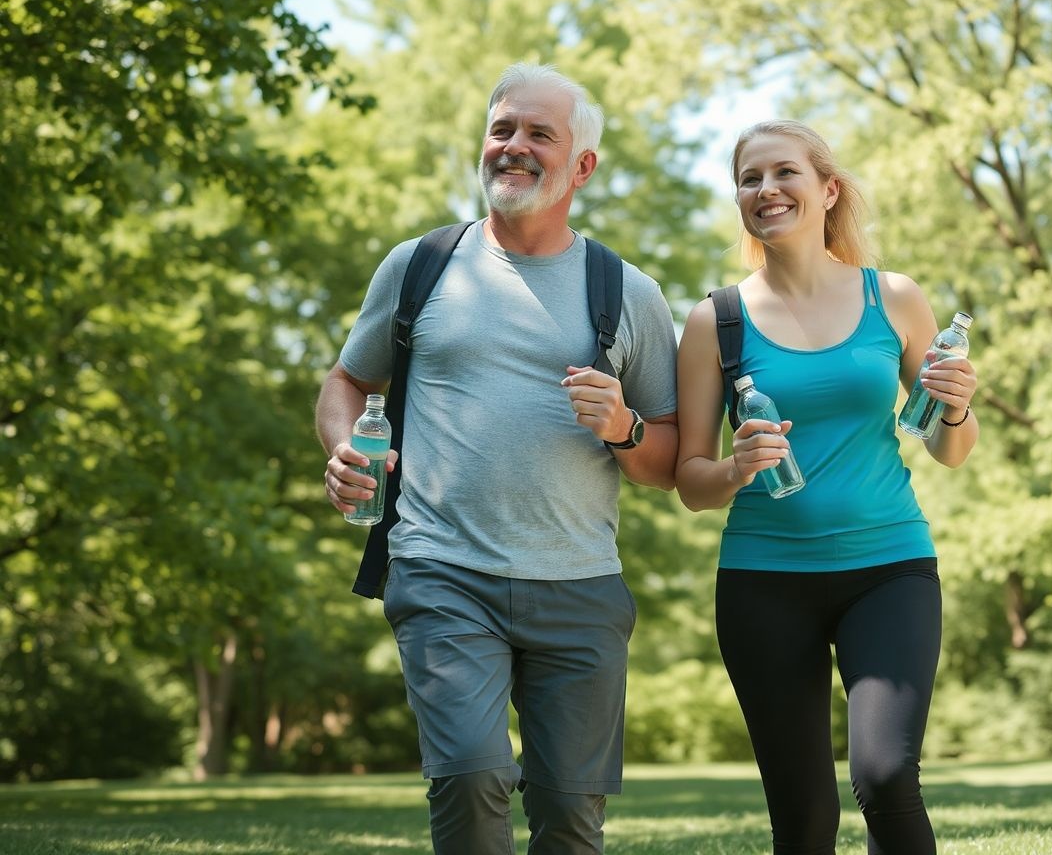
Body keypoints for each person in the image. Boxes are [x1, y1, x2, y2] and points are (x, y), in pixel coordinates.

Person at [315, 63, 679, 855]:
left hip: (580, 582)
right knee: (471, 778)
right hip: (441, 569)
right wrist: (345, 447)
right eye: (502, 129)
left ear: (582, 166)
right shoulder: (421, 264)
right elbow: (346, 380)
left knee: (569, 817)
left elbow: (670, 461)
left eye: (539, 134)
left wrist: (623, 427)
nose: (513, 146)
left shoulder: (629, 292)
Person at [674, 120, 979, 855]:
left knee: (886, 776)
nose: (767, 189)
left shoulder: (894, 298)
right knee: (805, 816)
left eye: (785, 173)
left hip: (889, 567)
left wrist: (957, 408)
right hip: (764, 581)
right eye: (750, 178)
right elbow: (690, 481)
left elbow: (949, 451)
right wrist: (736, 467)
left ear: (828, 189)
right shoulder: (717, 320)